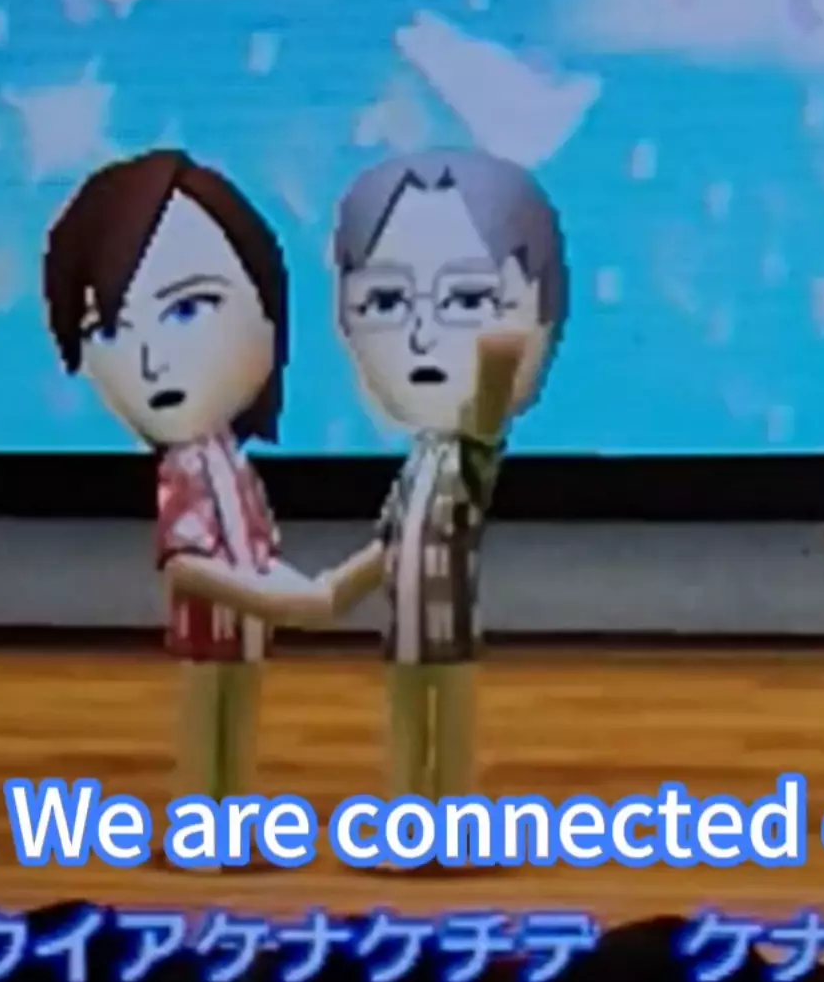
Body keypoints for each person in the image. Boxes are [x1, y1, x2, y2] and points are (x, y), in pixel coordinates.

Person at [43, 150, 329, 817]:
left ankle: (231, 820)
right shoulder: (185, 471)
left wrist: (294, 588)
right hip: (209, 635)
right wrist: (269, 594)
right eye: (108, 329)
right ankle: (201, 826)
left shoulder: (232, 462)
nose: (150, 361)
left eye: (187, 309)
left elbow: (254, 549)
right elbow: (185, 563)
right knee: (207, 728)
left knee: (239, 726)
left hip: (247, 633)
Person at [318, 149, 569, 811]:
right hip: (401, 634)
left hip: (451, 634)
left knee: (450, 732)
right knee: (406, 730)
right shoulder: (417, 463)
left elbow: (490, 402)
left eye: (467, 298)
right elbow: (390, 544)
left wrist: (501, 342)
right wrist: (331, 592)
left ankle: (450, 826)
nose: (423, 337)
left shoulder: (472, 455)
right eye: (387, 301)